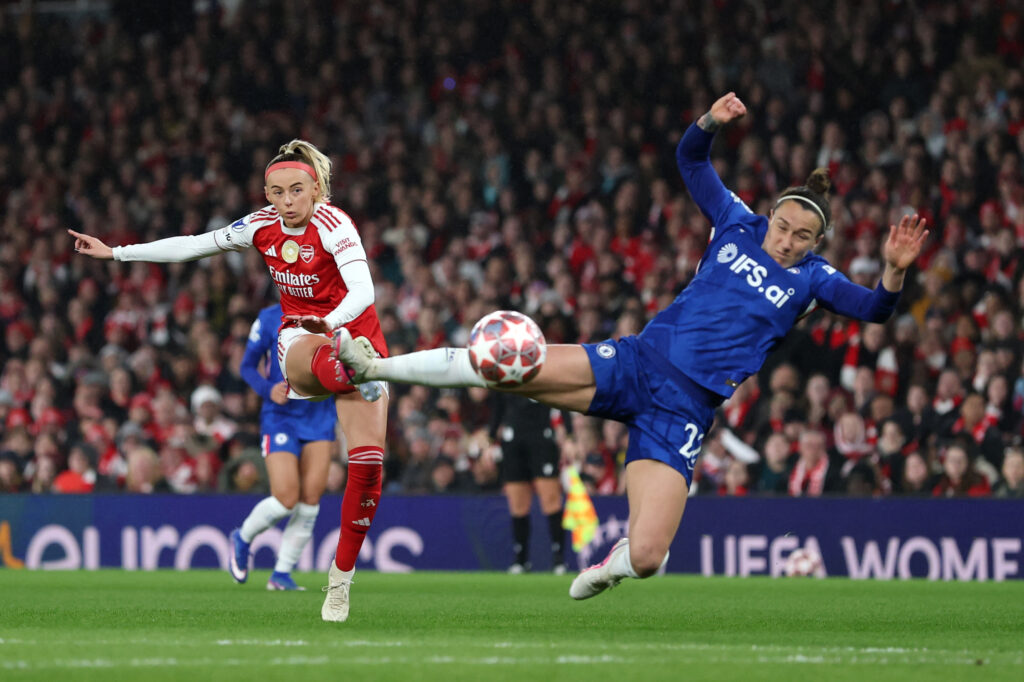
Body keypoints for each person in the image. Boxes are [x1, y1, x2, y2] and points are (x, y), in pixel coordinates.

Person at [332, 92, 928, 600]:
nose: (788, 242)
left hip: (684, 411)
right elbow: (690, 158)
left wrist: (895, 271)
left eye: (803, 237)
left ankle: (613, 561)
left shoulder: (815, 280)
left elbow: (875, 308)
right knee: (506, 366)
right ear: (770, 217)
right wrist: (711, 120)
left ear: (818, 241)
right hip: (637, 364)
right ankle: (376, 366)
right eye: (783, 228)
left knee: (647, 558)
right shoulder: (737, 222)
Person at [70, 139, 388, 622]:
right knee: (311, 357)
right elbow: (194, 246)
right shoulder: (260, 226)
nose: (286, 200)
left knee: (367, 468)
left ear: (316, 188)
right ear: (266, 192)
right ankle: (347, 365)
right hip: (302, 338)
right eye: (277, 191)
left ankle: (339, 581)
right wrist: (117, 253)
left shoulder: (334, 223)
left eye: (296, 190)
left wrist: (336, 324)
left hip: (355, 331)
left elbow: (364, 289)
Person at [229, 302, 338, 591]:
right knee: (286, 497)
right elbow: (247, 366)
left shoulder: (336, 312)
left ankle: (281, 574)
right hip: (282, 417)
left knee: (310, 499)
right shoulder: (268, 317)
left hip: (320, 415)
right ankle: (243, 537)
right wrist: (267, 389)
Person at [488, 391, 571, 574]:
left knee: (551, 499)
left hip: (542, 437)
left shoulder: (546, 364)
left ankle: (558, 559)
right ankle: (521, 560)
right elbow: (498, 406)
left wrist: (569, 434)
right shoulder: (502, 368)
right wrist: (491, 437)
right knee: (517, 503)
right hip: (513, 439)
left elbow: (561, 396)